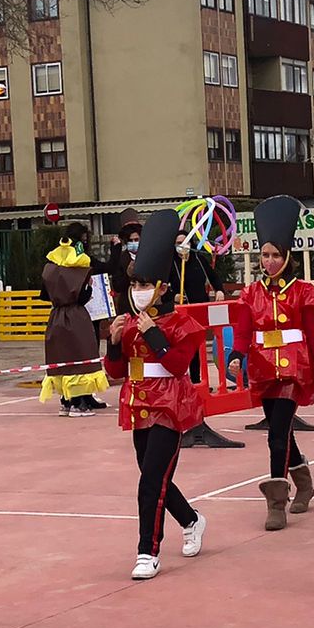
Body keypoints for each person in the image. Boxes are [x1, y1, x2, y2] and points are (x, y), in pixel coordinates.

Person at [106, 209, 210, 579]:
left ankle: (147, 552)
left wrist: (154, 334)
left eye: (146, 285)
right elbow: (116, 372)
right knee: (155, 476)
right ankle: (192, 519)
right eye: (135, 286)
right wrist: (115, 343)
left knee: (150, 480)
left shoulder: (182, 322)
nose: (139, 292)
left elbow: (178, 365)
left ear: (163, 288)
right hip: (138, 404)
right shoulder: (129, 322)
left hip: (170, 405)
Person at [228, 195, 314, 530]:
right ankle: (306, 484)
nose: (269, 261)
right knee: (282, 431)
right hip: (262, 368)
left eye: (275, 255)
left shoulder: (301, 292)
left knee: (275, 437)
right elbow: (242, 331)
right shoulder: (251, 293)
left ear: (287, 258)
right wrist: (236, 357)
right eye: (265, 255)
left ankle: (276, 500)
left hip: (293, 369)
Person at [173, 213, 245, 450]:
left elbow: (214, 278)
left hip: (200, 311)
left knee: (199, 350)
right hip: (179, 314)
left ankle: (199, 382)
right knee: (183, 352)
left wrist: (220, 290)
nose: (182, 247)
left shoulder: (199, 260)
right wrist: (173, 296)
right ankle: (187, 386)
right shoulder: (171, 264)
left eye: (186, 243)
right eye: (178, 243)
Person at [39, 224, 109, 415]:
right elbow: (83, 297)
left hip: (56, 316)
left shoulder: (51, 270)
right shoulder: (79, 272)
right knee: (80, 355)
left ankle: (67, 401)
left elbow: (44, 294)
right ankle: (79, 403)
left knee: (62, 357)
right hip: (76, 316)